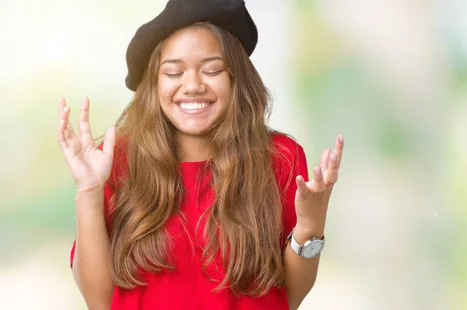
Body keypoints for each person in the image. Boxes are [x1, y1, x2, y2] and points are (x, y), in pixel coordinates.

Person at [56, 1, 344, 309]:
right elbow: (98, 301)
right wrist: (89, 192)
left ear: (236, 78)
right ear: (155, 83)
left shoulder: (280, 158)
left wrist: (310, 225)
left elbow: (290, 296)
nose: (192, 85)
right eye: (173, 72)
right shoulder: (117, 162)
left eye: (212, 70)